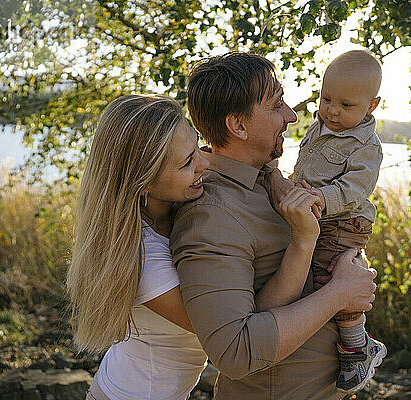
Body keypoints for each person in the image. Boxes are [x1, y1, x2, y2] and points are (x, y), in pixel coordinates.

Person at [67, 94, 331, 400]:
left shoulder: (173, 205)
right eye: (187, 162)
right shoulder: (145, 260)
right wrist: (330, 285)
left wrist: (270, 175)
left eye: (196, 147)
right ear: (144, 183)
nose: (205, 163)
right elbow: (239, 328)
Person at [170, 52, 379, 399]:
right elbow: (235, 353)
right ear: (238, 126)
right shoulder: (211, 215)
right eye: (276, 104)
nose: (292, 116)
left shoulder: (267, 181)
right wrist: (339, 294)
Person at [280, 49, 387, 393]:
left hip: (344, 220)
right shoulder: (321, 125)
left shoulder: (365, 145)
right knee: (303, 272)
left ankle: (358, 347)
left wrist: (321, 198)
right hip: (318, 214)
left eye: (346, 105)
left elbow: (356, 188)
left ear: (372, 106)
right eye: (327, 99)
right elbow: (308, 167)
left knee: (331, 274)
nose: (332, 110)